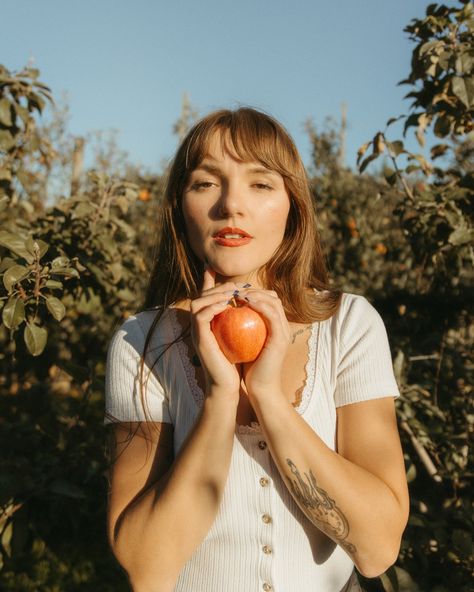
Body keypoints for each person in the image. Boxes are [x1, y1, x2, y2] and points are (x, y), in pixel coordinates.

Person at [104, 107, 409, 592]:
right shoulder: (141, 342)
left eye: (261, 184)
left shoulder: (347, 325)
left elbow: (377, 549)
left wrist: (267, 396)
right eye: (205, 183)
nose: (231, 205)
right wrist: (222, 398)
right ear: (180, 207)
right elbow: (147, 568)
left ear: (293, 207)